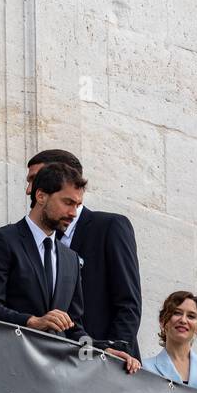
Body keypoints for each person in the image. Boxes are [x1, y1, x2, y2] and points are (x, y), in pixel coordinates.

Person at [0, 163, 139, 374]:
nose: (73, 212)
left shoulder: (71, 259)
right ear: (41, 196)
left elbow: (73, 327)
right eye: (67, 202)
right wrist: (33, 322)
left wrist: (103, 350)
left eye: (78, 205)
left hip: (55, 379)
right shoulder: (0, 240)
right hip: (8, 368)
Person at [26, 150, 142, 358]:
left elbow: (128, 303)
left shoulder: (110, 227)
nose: (29, 190)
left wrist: (112, 354)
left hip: (103, 366)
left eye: (35, 180)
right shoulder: (33, 238)